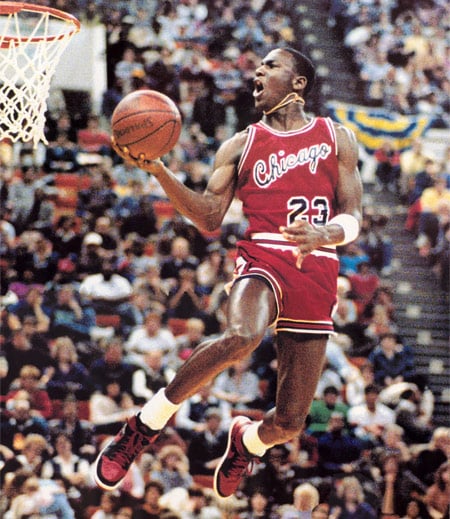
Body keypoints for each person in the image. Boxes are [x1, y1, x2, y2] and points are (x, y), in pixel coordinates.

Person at [94, 46, 362, 499]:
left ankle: (247, 442)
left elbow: (355, 215)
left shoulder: (336, 137)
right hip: (264, 256)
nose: (257, 71)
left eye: (271, 66)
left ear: (298, 83)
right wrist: (159, 170)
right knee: (242, 335)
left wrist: (325, 233)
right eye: (258, 66)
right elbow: (208, 217)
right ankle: (143, 425)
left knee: (290, 423)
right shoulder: (240, 144)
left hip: (317, 264)